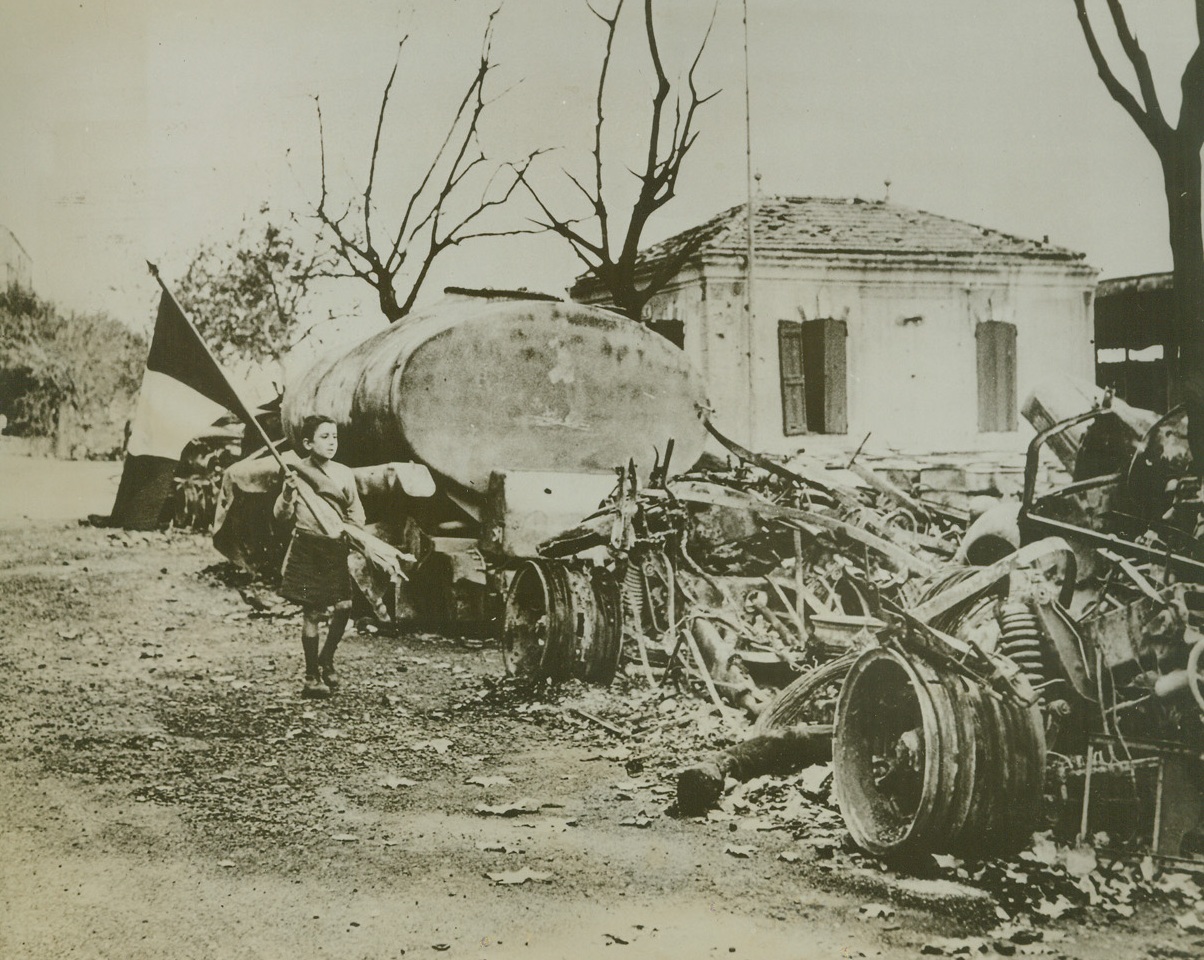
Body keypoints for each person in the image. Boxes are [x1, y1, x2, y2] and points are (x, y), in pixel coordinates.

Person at [273, 415, 365, 699]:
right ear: (307, 443)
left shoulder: (344, 473)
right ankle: (311, 677)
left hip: (335, 545)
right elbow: (281, 515)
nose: (331, 442)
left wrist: (355, 534)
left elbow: (355, 511)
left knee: (345, 605)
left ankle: (327, 658)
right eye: (324, 437)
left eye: (334, 437)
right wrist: (288, 491)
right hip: (308, 546)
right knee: (312, 612)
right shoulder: (296, 473)